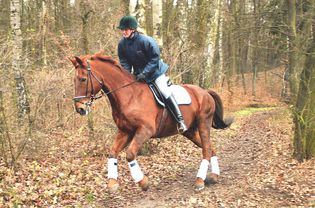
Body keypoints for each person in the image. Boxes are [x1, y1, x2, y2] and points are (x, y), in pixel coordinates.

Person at [117, 15, 187, 133]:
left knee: (164, 91)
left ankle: (180, 121)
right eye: (122, 29)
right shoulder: (122, 44)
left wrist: (145, 73)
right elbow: (125, 62)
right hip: (139, 75)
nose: (124, 32)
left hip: (155, 73)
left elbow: (154, 59)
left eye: (126, 29)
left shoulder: (146, 41)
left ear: (133, 29)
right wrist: (127, 76)